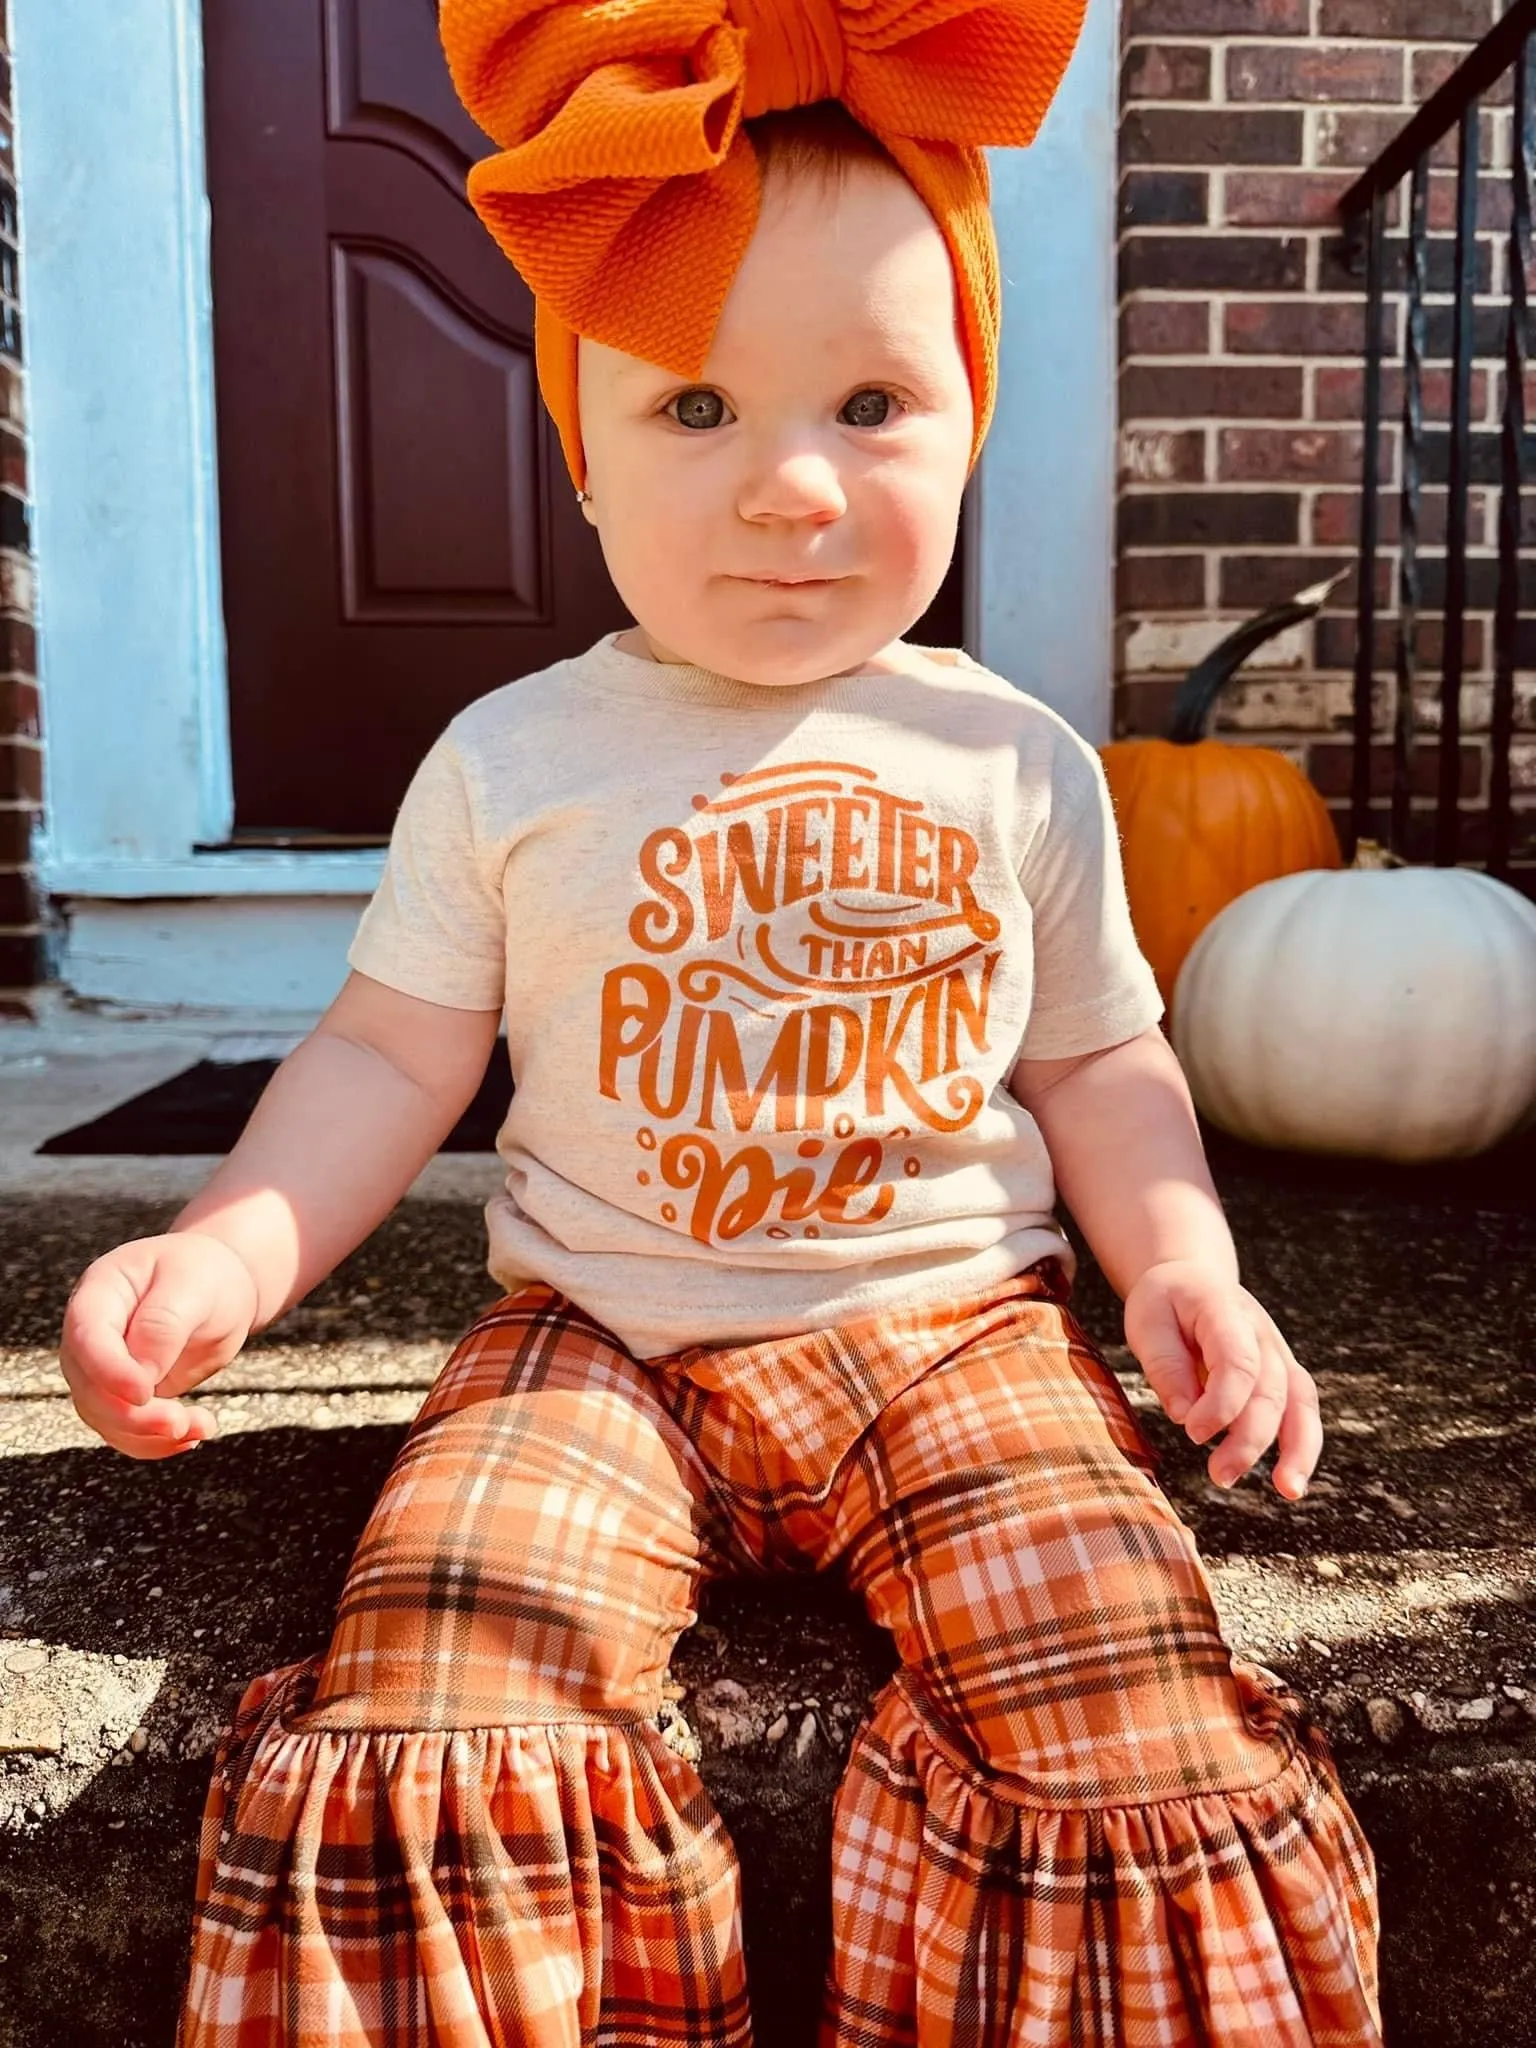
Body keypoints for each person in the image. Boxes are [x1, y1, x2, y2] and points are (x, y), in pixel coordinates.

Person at [58, 0, 1381, 2040]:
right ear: (581, 449)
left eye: (870, 401)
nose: (789, 485)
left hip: (956, 1333)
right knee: (438, 1675)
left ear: (968, 418)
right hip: (600, 1334)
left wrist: (1186, 1266)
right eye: (697, 411)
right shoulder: (513, 759)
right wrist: (231, 1245)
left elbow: (1102, 1065)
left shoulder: (1019, 762)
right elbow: (392, 1055)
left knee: (1123, 1688)